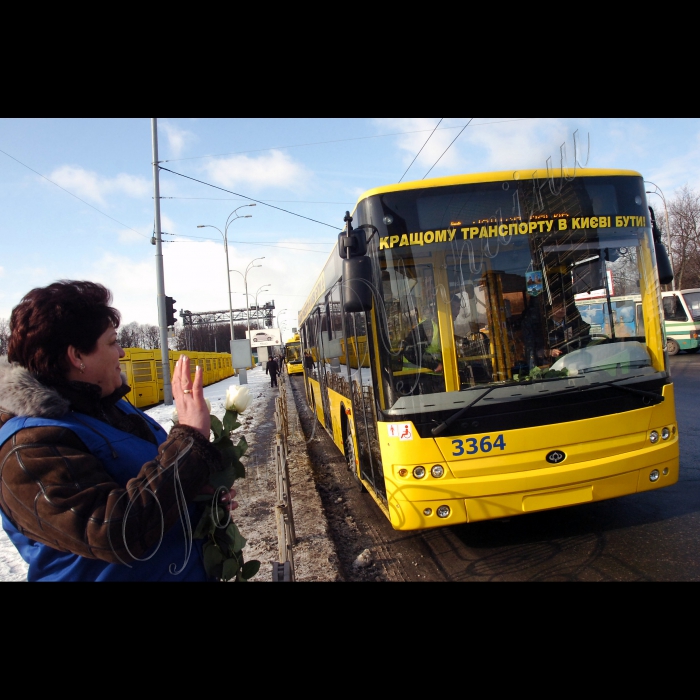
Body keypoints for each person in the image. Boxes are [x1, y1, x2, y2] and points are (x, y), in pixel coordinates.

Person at [0, 280, 236, 582]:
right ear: (77, 357)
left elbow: (154, 481)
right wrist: (189, 439)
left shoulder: (112, 408)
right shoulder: (26, 448)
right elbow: (112, 532)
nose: (122, 352)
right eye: (112, 342)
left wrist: (198, 494)